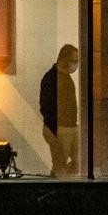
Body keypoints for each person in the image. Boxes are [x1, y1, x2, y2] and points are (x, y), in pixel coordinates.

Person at [39, 43, 80, 177]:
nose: (76, 65)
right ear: (63, 59)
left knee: (73, 163)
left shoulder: (66, 78)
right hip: (61, 128)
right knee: (60, 165)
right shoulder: (51, 78)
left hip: (69, 127)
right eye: (74, 61)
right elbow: (46, 106)